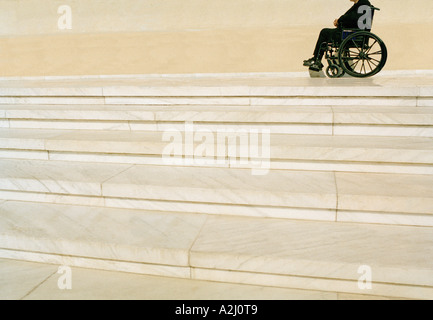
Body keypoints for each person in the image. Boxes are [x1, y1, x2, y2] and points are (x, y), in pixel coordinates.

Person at [303, 0, 372, 71]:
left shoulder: (362, 4)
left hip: (351, 34)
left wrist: (339, 20)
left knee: (324, 32)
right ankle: (317, 59)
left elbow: (353, 18)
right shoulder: (362, 4)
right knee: (326, 32)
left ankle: (316, 59)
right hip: (353, 33)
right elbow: (354, 19)